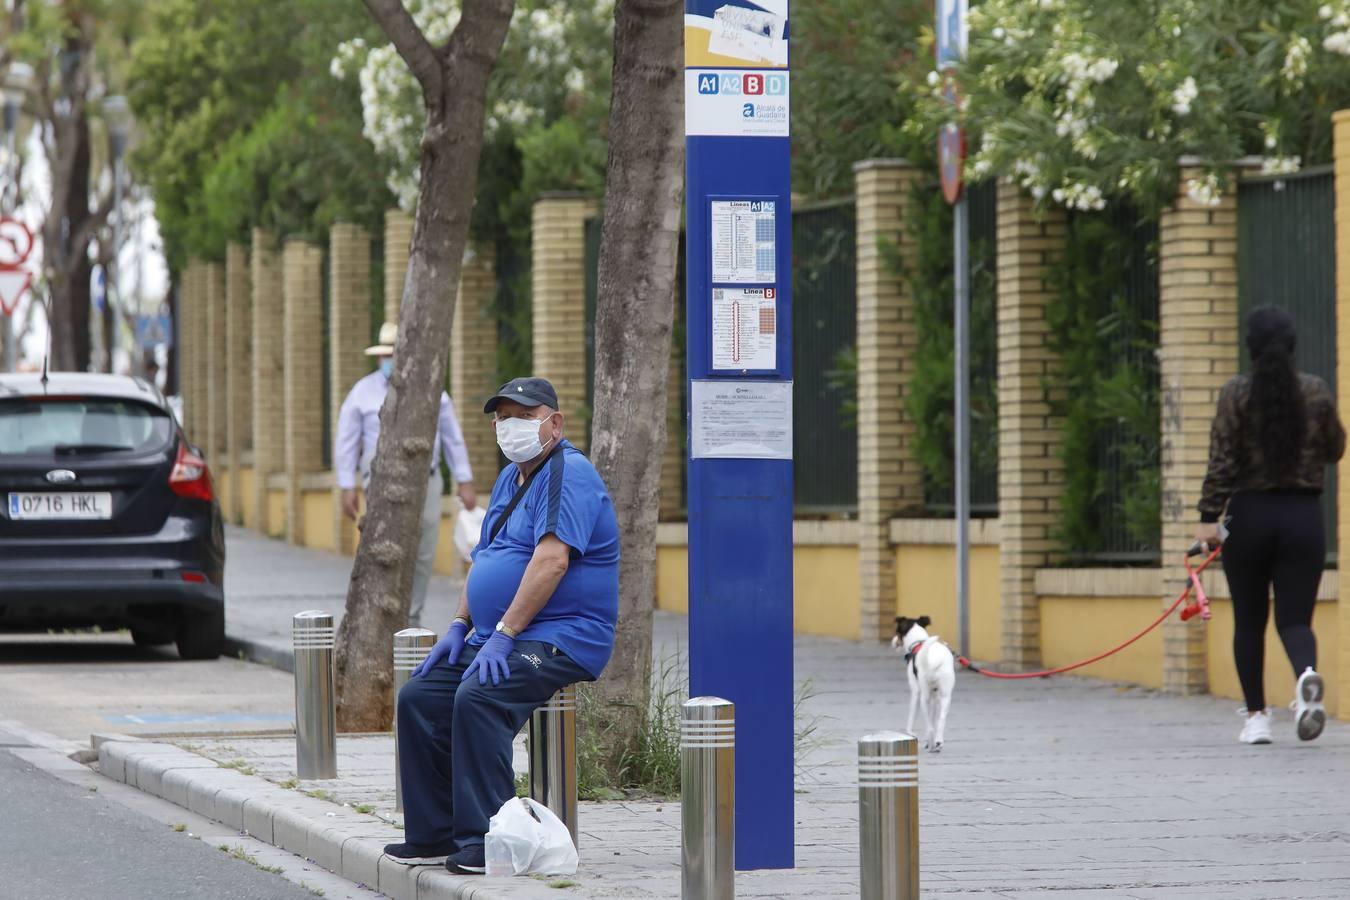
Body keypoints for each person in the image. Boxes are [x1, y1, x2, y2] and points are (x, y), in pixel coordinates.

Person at [382, 377, 619, 874]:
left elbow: (552, 561)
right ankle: (434, 831)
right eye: (501, 417)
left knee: (479, 698)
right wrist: (460, 623)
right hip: (500, 635)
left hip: (562, 635)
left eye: (522, 416)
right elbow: (486, 558)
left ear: (554, 423)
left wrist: (506, 633)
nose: (508, 426)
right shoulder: (513, 478)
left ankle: (487, 839)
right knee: (420, 698)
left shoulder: (565, 473)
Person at [1197, 305, 1345, 745]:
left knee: (1249, 618)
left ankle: (1258, 717)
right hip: (1303, 517)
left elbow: (1221, 460)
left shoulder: (1236, 393)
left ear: (1251, 346)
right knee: (1296, 618)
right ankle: (1305, 683)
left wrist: (1208, 518)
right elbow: (1335, 448)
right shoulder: (1315, 391)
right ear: (1293, 344)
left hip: (1249, 516)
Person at [334, 322, 477, 627]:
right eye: (385, 355)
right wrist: (347, 486)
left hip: (428, 478)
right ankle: (379, 619)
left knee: (424, 549)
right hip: (381, 481)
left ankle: (411, 619)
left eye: (394, 354)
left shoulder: (433, 391)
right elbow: (347, 442)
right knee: (383, 548)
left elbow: (452, 437)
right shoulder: (362, 392)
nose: (389, 360)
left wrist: (464, 479)